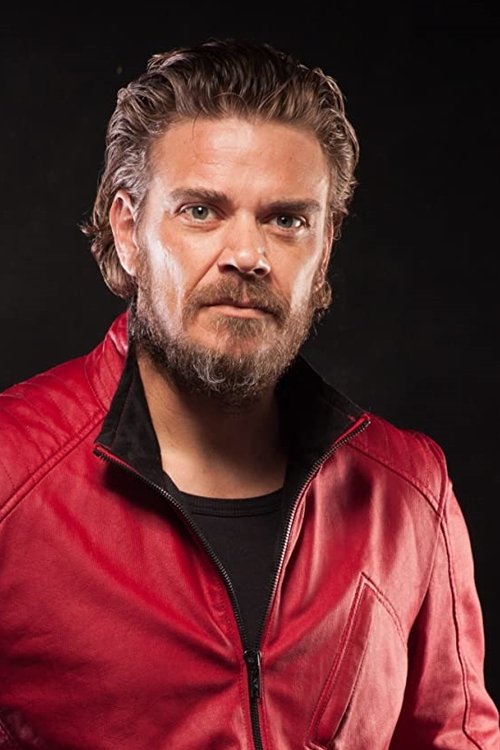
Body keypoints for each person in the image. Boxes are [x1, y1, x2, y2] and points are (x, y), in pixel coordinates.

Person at [0, 37, 498, 750]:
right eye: (201, 211)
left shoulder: (409, 491)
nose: (247, 255)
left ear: (324, 246)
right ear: (129, 231)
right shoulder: (10, 470)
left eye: (286, 220)